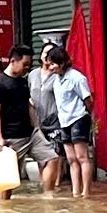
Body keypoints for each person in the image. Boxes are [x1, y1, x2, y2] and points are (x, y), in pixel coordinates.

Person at [0, 45, 59, 200]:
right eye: (25, 64)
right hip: (12, 137)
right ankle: (3, 209)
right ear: (13, 61)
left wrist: (37, 128)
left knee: (52, 158)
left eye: (29, 64)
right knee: (8, 180)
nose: (27, 68)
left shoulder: (23, 82)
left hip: (31, 133)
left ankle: (47, 197)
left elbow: (28, 106)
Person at [48, 47, 94, 197]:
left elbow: (88, 99)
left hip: (78, 118)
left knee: (82, 157)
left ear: (61, 63)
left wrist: (89, 115)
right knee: (71, 159)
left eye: (53, 63)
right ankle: (75, 192)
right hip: (64, 121)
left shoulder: (76, 77)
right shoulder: (56, 80)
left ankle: (86, 191)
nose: (51, 67)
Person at [29, 42, 63, 189]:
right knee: (40, 154)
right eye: (45, 53)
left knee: (55, 154)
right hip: (36, 120)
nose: (47, 56)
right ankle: (44, 184)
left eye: (51, 53)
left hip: (54, 120)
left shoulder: (57, 75)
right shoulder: (32, 74)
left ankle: (56, 184)